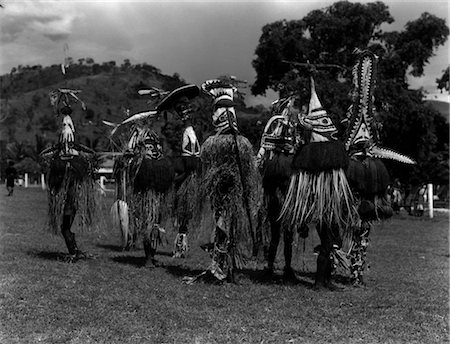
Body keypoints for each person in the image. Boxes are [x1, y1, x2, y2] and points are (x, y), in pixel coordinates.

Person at [342, 50, 415, 285]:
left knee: (361, 232)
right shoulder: (356, 128)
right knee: (356, 231)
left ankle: (356, 271)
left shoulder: (365, 135)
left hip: (362, 195)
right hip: (356, 191)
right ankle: (353, 269)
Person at [279, 76, 359, 290]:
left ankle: (324, 279)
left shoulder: (320, 158)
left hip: (326, 204)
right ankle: (320, 282)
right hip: (322, 205)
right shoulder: (320, 158)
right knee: (327, 243)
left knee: (329, 243)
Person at [197, 78, 263, 282]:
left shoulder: (236, 143)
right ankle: (220, 266)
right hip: (223, 190)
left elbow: (247, 168)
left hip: (232, 190)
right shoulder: (218, 143)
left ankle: (227, 267)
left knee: (230, 227)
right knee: (223, 226)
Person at [40, 92, 99, 261]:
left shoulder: (70, 146)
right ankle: (74, 250)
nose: (65, 125)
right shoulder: (68, 135)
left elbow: (67, 147)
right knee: (65, 226)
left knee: (65, 226)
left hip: (70, 197)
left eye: (67, 123)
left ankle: (73, 251)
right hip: (68, 195)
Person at [256, 95, 303, 279]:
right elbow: (265, 146)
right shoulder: (278, 122)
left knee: (285, 228)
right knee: (278, 227)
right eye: (291, 106)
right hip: (279, 176)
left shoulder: (290, 125)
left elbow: (292, 147)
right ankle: (274, 265)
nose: (293, 110)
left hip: (284, 177)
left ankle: (284, 266)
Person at [156, 84, 201, 258]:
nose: (185, 112)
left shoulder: (189, 133)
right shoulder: (186, 133)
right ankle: (178, 244)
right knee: (181, 210)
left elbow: (191, 159)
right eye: (181, 109)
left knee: (184, 210)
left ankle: (180, 245)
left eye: (185, 108)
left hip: (188, 176)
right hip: (185, 174)